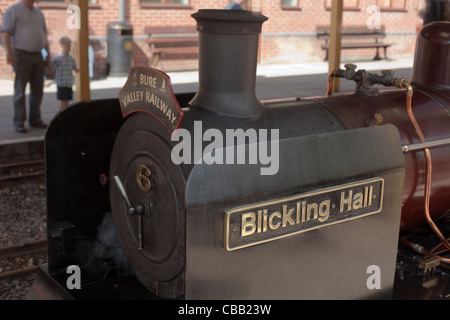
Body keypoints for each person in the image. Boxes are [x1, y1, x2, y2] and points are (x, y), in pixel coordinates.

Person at [1, 0, 50, 133]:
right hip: (21, 55)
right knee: (20, 90)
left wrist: (48, 54)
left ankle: (35, 119)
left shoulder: (38, 12)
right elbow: (5, 33)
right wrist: (9, 53)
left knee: (38, 90)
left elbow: (44, 35)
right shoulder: (13, 10)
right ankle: (19, 121)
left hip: (38, 55)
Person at [51, 36, 79, 111]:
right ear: (61, 46)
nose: (69, 48)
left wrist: (79, 69)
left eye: (70, 46)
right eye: (67, 46)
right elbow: (51, 66)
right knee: (63, 102)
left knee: (67, 101)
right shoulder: (57, 59)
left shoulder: (71, 59)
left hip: (69, 83)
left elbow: (75, 69)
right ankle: (61, 116)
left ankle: (64, 114)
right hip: (61, 83)